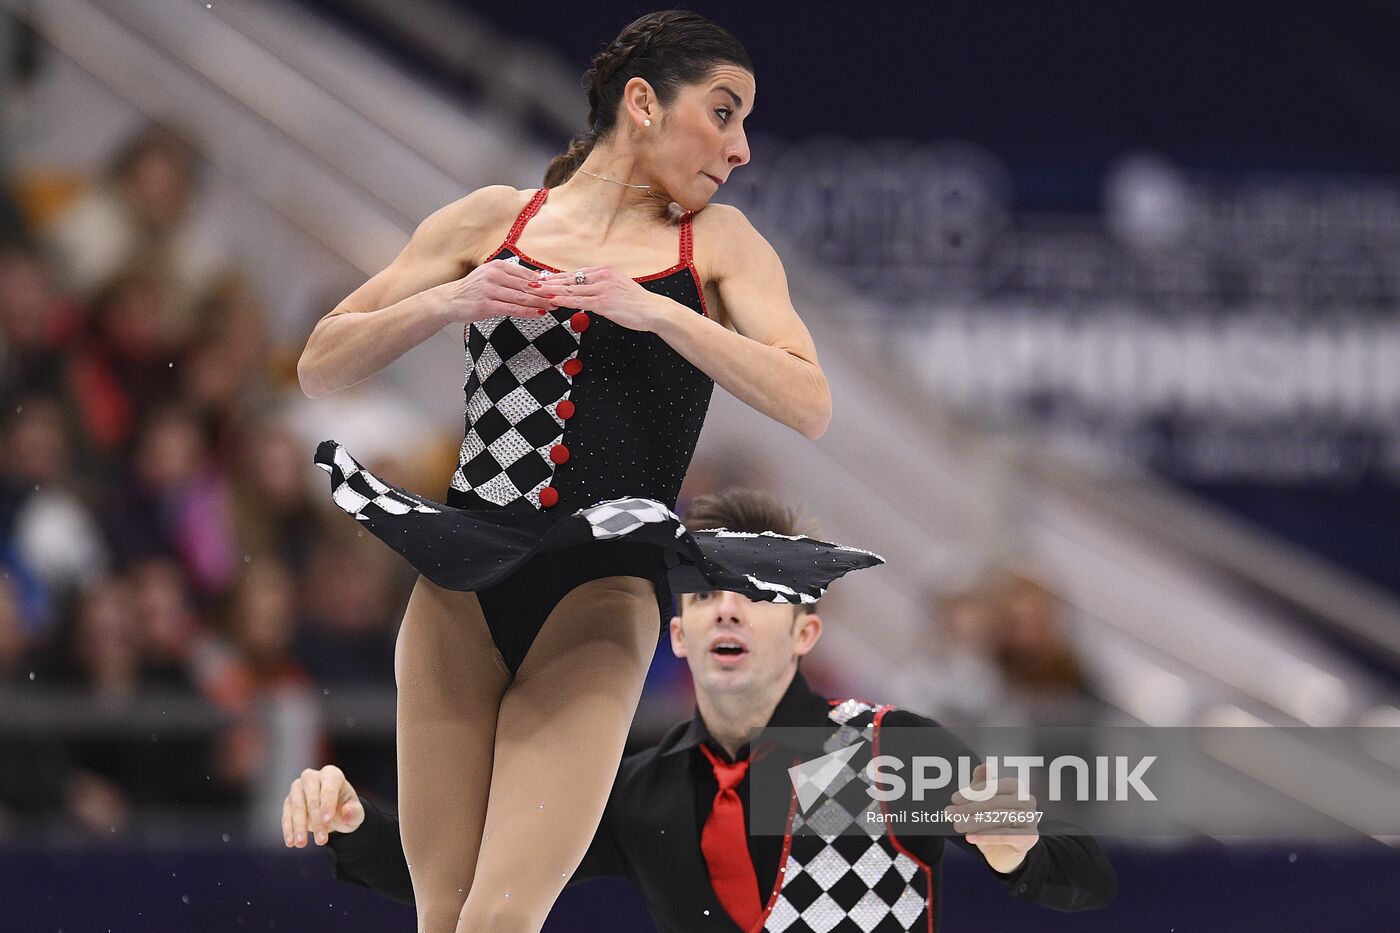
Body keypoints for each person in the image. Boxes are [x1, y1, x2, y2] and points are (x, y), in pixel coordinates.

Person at [295, 11, 883, 932]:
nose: (741, 148)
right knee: (440, 914)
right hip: (461, 587)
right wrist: (453, 297)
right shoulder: (492, 219)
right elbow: (321, 362)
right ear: (643, 103)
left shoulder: (716, 244)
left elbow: (809, 400)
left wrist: (660, 315)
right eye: (724, 114)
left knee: (499, 919)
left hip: (599, 594)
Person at [285, 489, 1116, 932]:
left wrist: (1019, 846)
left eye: (757, 595)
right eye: (708, 591)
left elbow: (1086, 875)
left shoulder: (890, 753)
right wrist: (354, 820)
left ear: (806, 631)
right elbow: (468, 883)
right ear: (672, 631)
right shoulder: (647, 791)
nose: (727, 609)